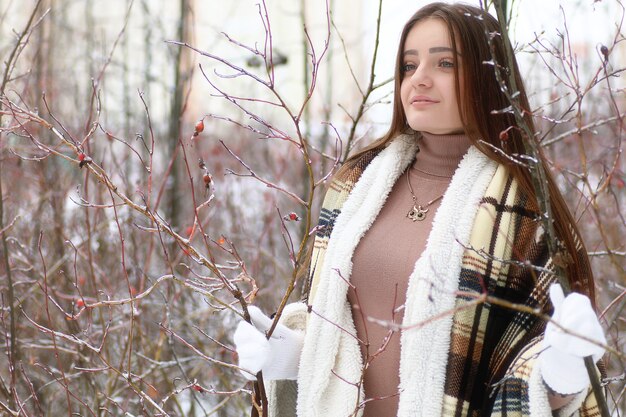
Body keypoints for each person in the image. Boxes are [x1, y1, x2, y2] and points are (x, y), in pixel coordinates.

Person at [233, 2, 607, 417]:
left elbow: (543, 355)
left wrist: (560, 378)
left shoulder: (523, 210)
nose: (419, 80)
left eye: (444, 63)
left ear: (488, 77)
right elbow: (326, 322)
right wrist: (283, 356)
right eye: (409, 66)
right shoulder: (355, 184)